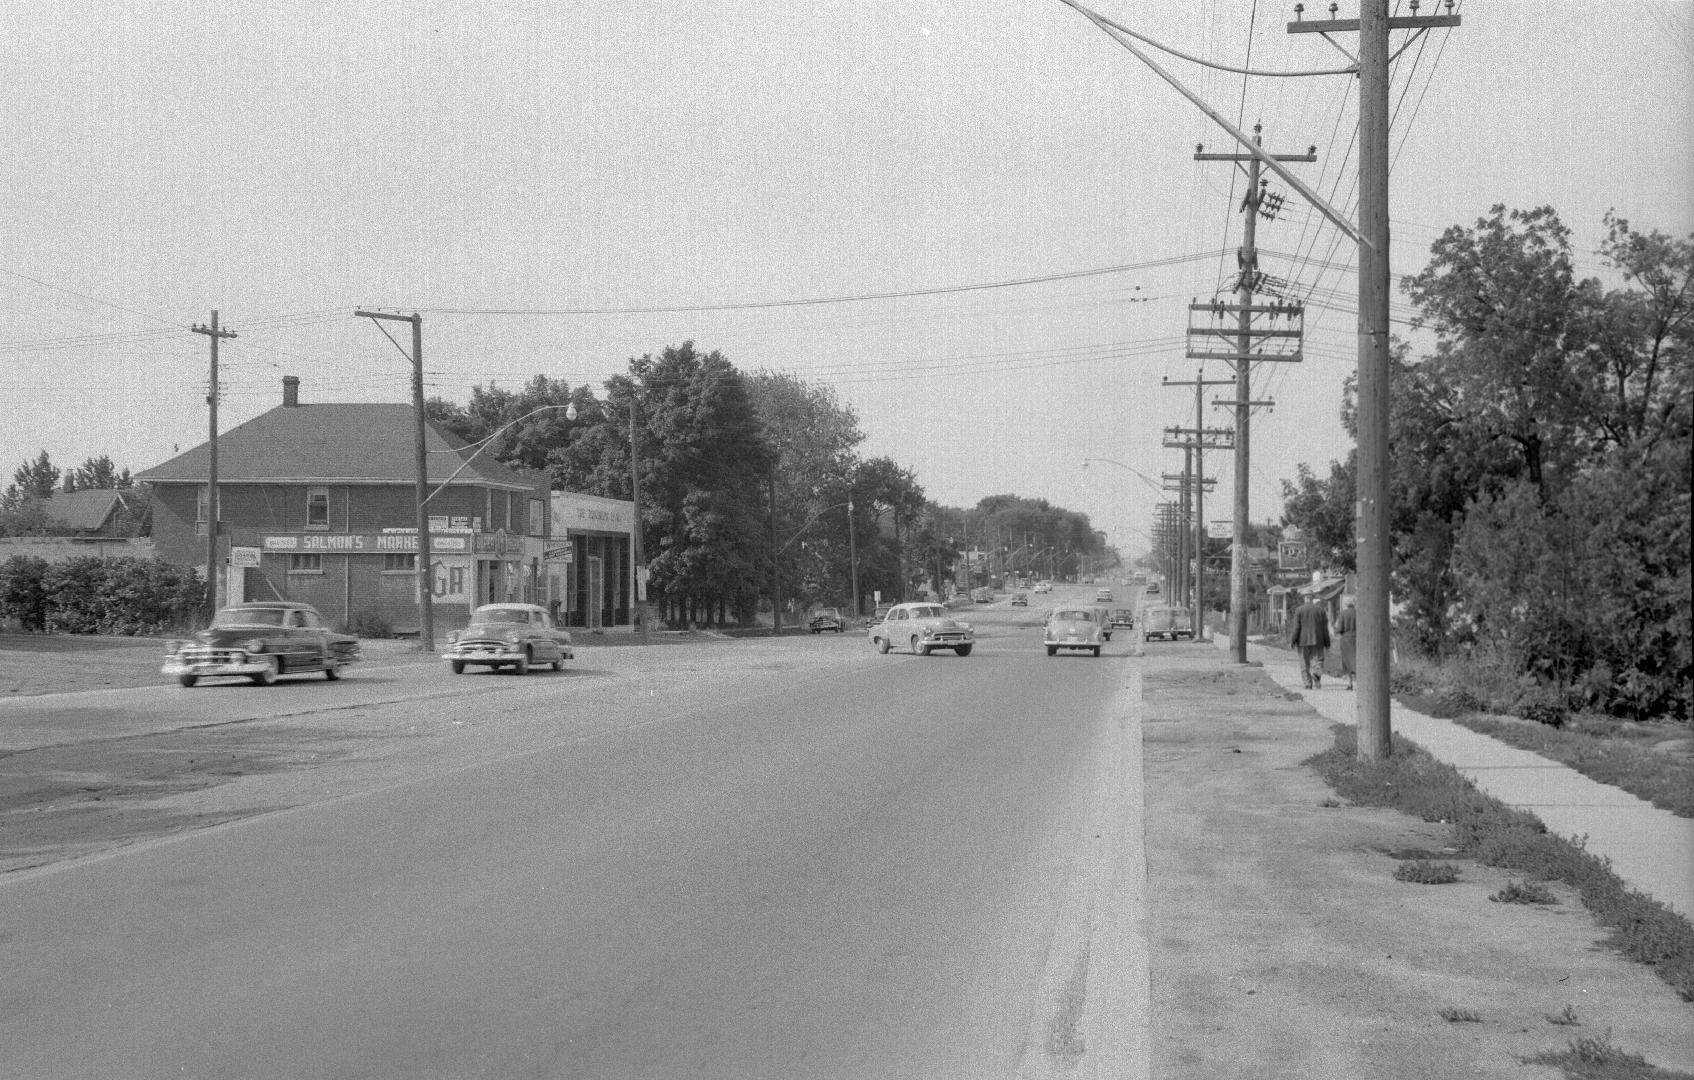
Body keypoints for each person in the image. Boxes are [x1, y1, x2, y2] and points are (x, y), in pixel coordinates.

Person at [1286, 593, 1331, 689]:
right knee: (1318, 660)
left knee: (1304, 663)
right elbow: (1325, 629)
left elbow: (1297, 628)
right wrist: (1327, 643)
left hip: (1303, 640)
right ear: (1312, 599)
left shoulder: (1299, 610)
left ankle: (1307, 683)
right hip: (1318, 640)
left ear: (1305, 598)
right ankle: (1316, 674)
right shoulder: (1321, 611)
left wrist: (1293, 640)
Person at [1334, 594, 1358, 690]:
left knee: (1347, 662)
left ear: (1346, 604)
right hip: (1358, 639)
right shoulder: (1359, 612)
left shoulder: (1343, 614)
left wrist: (1334, 630)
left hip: (1346, 640)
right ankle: (1361, 683)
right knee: (1358, 660)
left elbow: (1339, 629)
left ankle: (1350, 684)